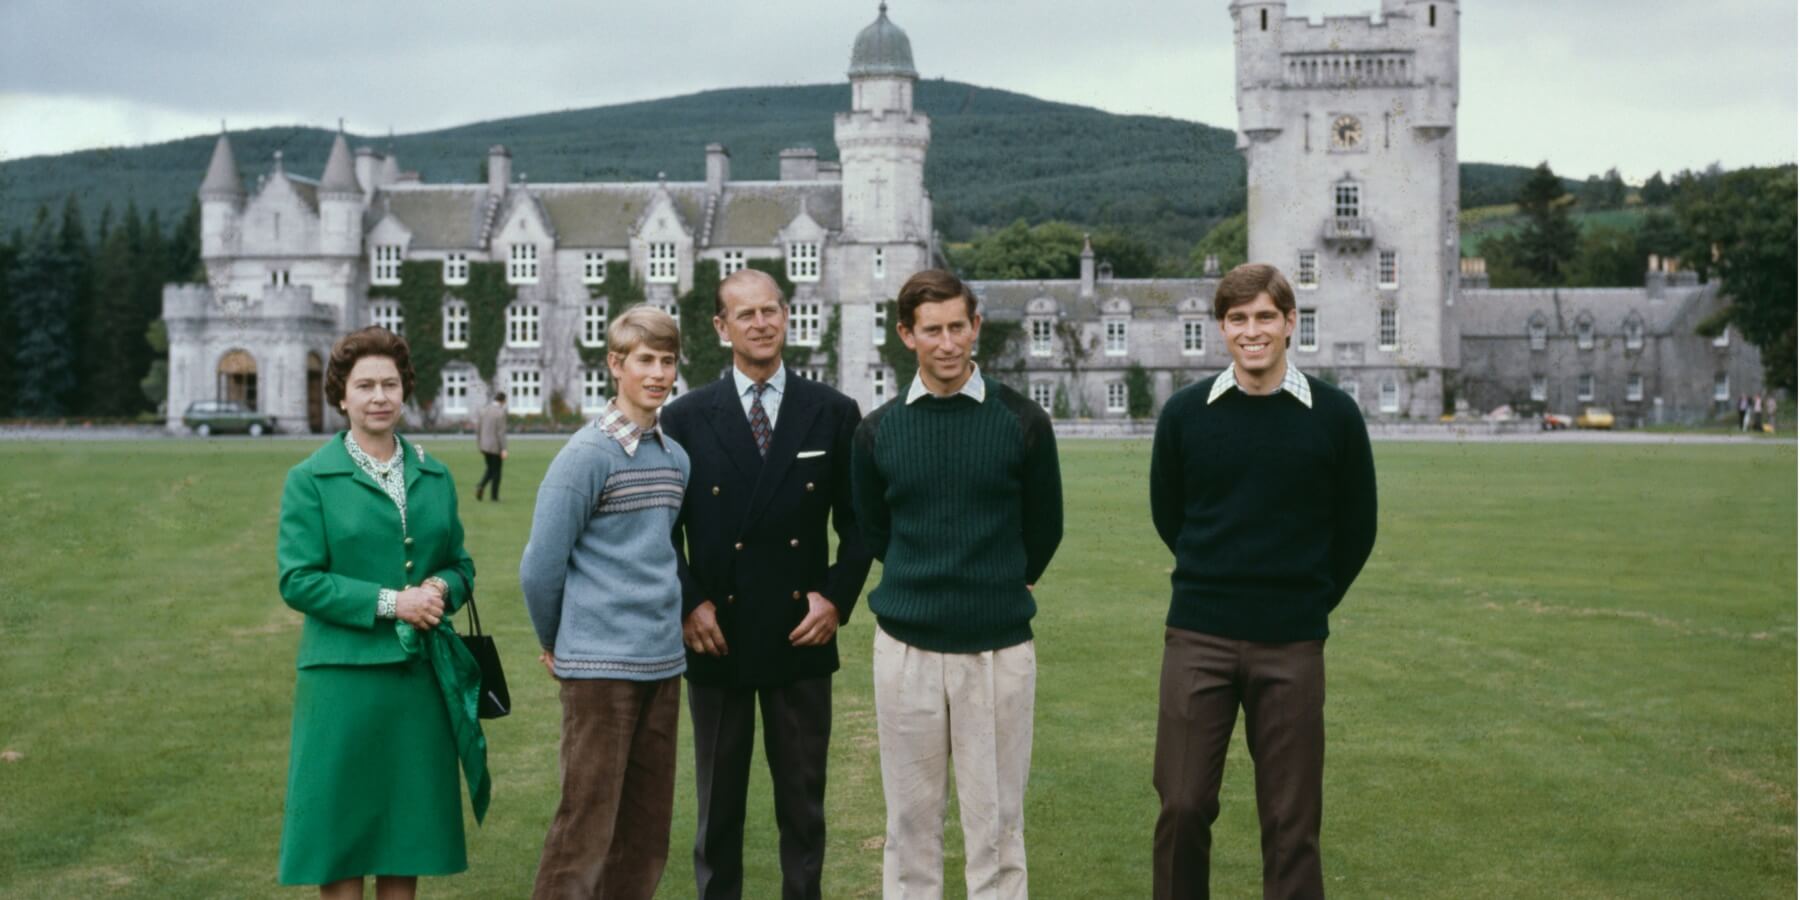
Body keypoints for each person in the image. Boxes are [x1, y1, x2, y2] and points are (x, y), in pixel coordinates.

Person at [1148, 262, 1377, 900]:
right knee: (1184, 803)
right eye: (1238, 319)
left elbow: (1357, 528)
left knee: (1290, 819)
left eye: (1265, 317)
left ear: (1290, 323)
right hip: (1199, 636)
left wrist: (1302, 598)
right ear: (1222, 328)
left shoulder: (1333, 415)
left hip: (1292, 642)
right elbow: (1172, 516)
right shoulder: (1186, 415)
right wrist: (1220, 580)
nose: (1253, 331)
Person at [850, 268, 1064, 900]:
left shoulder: (1022, 422)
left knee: (996, 829)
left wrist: (995, 585)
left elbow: (1043, 531)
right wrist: (926, 582)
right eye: (931, 331)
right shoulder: (878, 430)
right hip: (906, 651)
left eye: (957, 328)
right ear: (907, 336)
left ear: (976, 327)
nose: (947, 343)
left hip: (996, 649)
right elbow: (877, 532)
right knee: (909, 827)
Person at [661, 269, 874, 900]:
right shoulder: (686, 416)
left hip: (801, 634)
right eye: (745, 314)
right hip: (716, 634)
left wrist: (835, 597)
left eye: (770, 311)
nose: (761, 323)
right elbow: (659, 530)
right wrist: (690, 600)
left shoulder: (833, 412)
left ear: (787, 316)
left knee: (803, 807)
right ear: (722, 328)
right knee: (717, 810)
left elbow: (861, 524)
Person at [275, 326, 489, 899]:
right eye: (364, 385)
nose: (378, 396)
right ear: (341, 395)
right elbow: (297, 581)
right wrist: (396, 602)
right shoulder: (309, 479)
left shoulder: (435, 474)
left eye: (389, 384)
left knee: (407, 832)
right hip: (341, 681)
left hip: (418, 683)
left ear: (404, 391)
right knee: (341, 836)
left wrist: (441, 589)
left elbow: (461, 564)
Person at [520, 305, 691, 900]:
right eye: (645, 360)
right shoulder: (586, 456)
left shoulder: (675, 458)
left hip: (663, 664)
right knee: (585, 827)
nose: (658, 373)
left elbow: (660, 555)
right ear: (615, 365)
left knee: (645, 834)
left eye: (667, 362)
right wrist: (553, 641)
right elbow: (540, 567)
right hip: (598, 669)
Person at [475, 391, 508, 501]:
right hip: (495, 447)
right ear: (503, 401)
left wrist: (479, 444)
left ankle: (481, 486)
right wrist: (503, 449)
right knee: (497, 472)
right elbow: (500, 432)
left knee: (490, 469)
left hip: (484, 445)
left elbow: (478, 429)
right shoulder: (500, 413)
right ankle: (494, 496)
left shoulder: (484, 410)